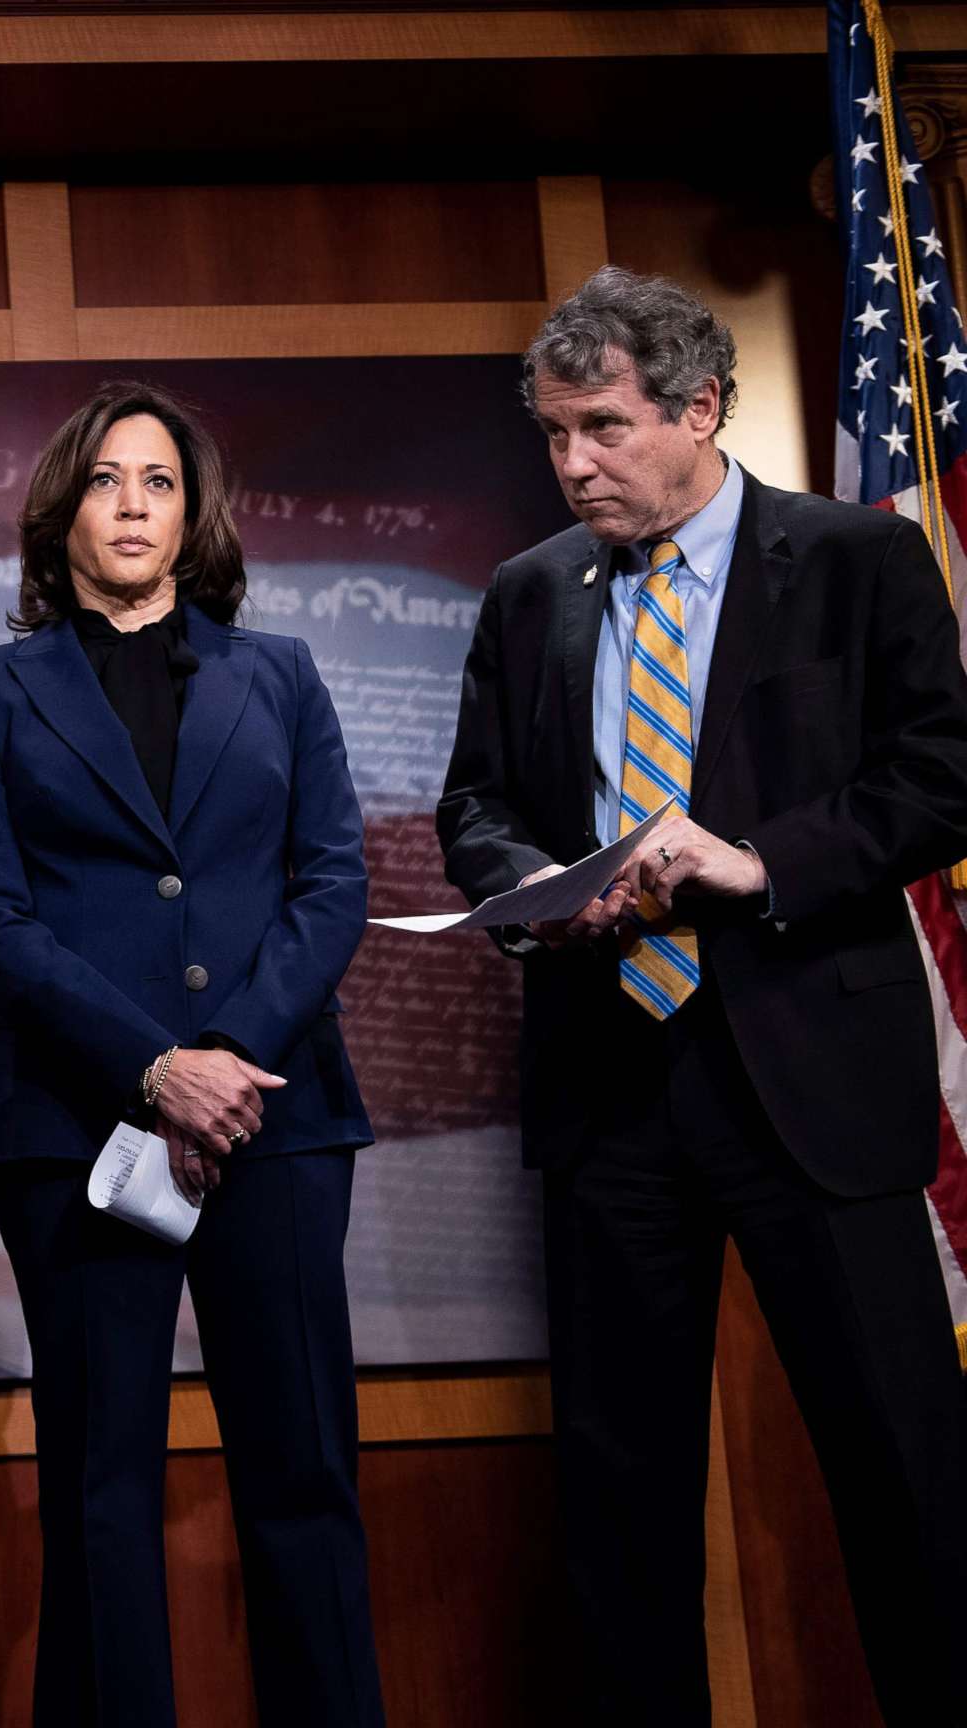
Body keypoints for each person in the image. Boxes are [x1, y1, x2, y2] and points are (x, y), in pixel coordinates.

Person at [438, 266, 967, 1725]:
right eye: (553, 435)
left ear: (701, 409)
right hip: (614, 1093)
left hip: (812, 1078)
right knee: (622, 1507)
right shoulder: (531, 590)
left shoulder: (857, 560)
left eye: (602, 429)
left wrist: (756, 862)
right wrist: (550, 883)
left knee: (908, 1481)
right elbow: (475, 804)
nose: (572, 464)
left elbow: (940, 780)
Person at [0, 382, 383, 1728]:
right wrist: (154, 1068)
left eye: (157, 481)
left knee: (304, 1466)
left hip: (276, 1117)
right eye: (103, 481)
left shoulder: (283, 676)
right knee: (104, 1481)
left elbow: (333, 884)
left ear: (192, 511)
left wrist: (226, 1059)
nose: (132, 504)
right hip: (76, 1127)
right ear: (62, 512)